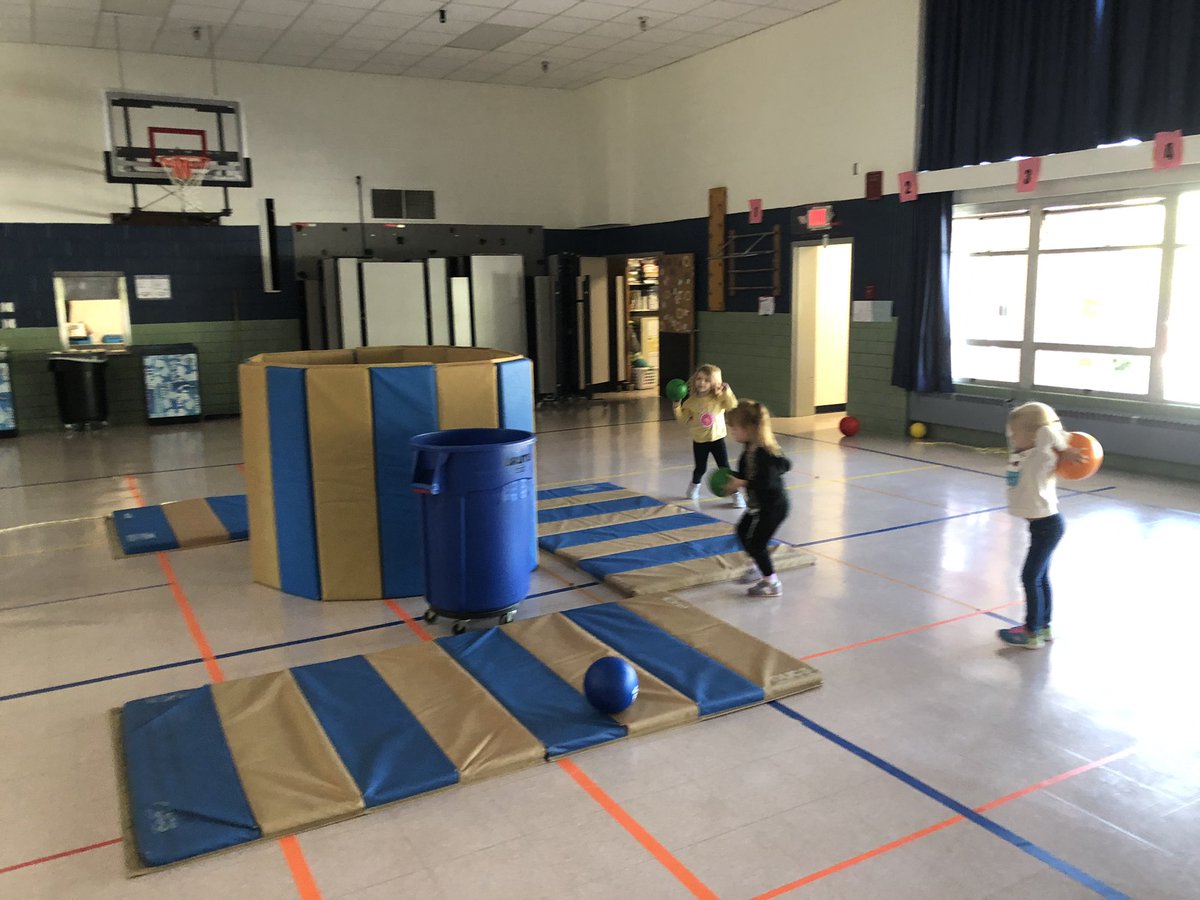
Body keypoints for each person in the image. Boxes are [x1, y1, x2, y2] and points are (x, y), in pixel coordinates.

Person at [998, 401, 1084, 649]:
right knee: (1040, 576)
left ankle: (1031, 632)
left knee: (1030, 576)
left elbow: (1048, 430)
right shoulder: (1020, 453)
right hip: (1041, 527)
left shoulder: (1041, 455)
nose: (1012, 437)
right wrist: (1017, 420)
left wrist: (1063, 448)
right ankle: (1044, 626)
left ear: (1034, 434)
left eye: (1017, 433)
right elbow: (1020, 430)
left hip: (1048, 525)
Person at [724, 400, 791, 597]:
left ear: (750, 428)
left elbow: (766, 482)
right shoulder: (749, 449)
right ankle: (756, 567)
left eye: (735, 428)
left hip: (773, 508)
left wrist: (742, 483)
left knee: (758, 544)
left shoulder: (764, 453)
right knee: (743, 531)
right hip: (758, 506)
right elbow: (747, 473)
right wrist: (733, 478)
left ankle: (772, 583)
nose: (732, 432)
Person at [673, 364, 743, 507]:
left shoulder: (718, 398)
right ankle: (694, 487)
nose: (701, 382)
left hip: (717, 439)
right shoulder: (691, 402)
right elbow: (682, 419)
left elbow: (732, 406)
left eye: (706, 380)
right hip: (700, 441)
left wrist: (727, 392)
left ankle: (736, 495)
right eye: (699, 379)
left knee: (724, 467)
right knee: (700, 468)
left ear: (714, 383)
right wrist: (676, 406)